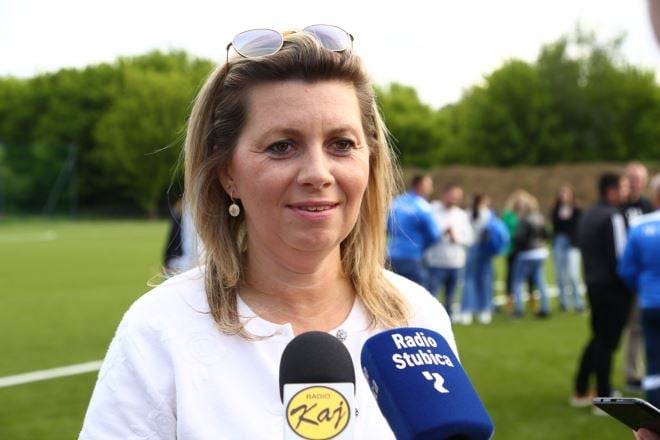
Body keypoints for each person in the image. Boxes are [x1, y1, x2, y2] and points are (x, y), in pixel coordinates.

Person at [79, 26, 459, 439]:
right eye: (282, 146)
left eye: (341, 144)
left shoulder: (417, 317)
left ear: (370, 161)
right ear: (228, 172)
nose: (318, 174)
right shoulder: (160, 329)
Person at [571, 173, 633, 413]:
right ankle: (604, 396)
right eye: (623, 187)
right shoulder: (613, 215)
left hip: (593, 284)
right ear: (611, 190)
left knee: (598, 338)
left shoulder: (589, 214)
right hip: (612, 288)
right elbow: (620, 258)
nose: (627, 192)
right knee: (607, 342)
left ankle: (580, 389)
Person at [619, 173, 660, 407]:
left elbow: (626, 269)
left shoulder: (640, 226)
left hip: (650, 301)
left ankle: (655, 412)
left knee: (653, 361)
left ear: (655, 197)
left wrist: (642, 288)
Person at [622, 162, 653, 393]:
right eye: (632, 178)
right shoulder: (618, 206)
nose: (636, 183)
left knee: (640, 327)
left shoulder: (647, 206)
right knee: (629, 328)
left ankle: (639, 372)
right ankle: (632, 373)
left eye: (639, 179)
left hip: (645, 277)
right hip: (625, 274)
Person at [424, 184, 474, 319]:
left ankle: (448, 320)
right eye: (452, 196)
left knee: (451, 297)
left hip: (456, 263)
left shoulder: (461, 215)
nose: (455, 200)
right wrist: (441, 233)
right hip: (435, 262)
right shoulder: (432, 210)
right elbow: (426, 233)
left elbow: (469, 238)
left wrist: (456, 237)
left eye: (457, 197)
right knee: (432, 295)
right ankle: (431, 320)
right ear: (444, 195)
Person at [387, 174, 441, 290]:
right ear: (420, 185)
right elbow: (435, 235)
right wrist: (423, 246)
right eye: (429, 185)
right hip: (413, 257)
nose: (431, 189)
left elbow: (387, 226)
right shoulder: (423, 207)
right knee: (416, 296)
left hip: (392, 256)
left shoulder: (397, 202)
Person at [457, 194, 497, 325]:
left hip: (471, 249)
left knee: (469, 280)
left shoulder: (467, 213)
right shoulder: (488, 214)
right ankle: (485, 310)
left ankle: (466, 310)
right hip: (484, 249)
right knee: (485, 280)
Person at [510, 193, 551, 318]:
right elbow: (546, 234)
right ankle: (545, 308)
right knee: (540, 281)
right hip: (541, 252)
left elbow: (520, 238)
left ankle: (518, 310)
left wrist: (515, 244)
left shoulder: (524, 220)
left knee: (517, 282)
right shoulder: (540, 218)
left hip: (527, 254)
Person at [550, 184, 584, 312]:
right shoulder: (556, 210)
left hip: (572, 244)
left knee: (573, 274)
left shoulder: (577, 210)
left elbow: (578, 226)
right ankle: (563, 302)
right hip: (559, 242)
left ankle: (578, 302)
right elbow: (555, 226)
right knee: (560, 274)